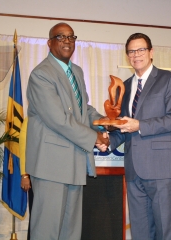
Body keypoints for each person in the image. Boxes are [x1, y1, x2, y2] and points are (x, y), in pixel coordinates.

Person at [25, 22, 109, 240]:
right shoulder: (41, 74)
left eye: (71, 37)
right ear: (49, 43)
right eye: (61, 37)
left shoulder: (77, 72)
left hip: (74, 161)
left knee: (70, 232)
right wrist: (94, 138)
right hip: (50, 165)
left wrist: (103, 121)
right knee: (46, 231)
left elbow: (83, 109)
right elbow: (59, 120)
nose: (67, 41)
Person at [106, 33, 171, 240]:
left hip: (161, 168)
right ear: (127, 56)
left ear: (151, 52)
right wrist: (107, 141)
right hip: (133, 170)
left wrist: (140, 125)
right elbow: (124, 128)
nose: (136, 55)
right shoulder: (124, 86)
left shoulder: (169, 80)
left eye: (141, 50)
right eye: (131, 51)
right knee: (140, 232)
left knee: (166, 231)